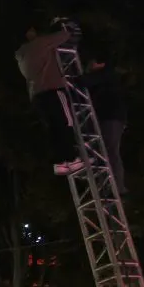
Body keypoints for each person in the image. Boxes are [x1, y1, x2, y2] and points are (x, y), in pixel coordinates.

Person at [16, 18, 83, 175]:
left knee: (53, 128)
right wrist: (67, 25)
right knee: (66, 122)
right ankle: (72, 159)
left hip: (38, 96)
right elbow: (65, 35)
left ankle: (60, 162)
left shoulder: (21, 55)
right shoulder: (40, 43)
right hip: (53, 90)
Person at [76, 57, 128, 193]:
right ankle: (105, 184)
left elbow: (83, 81)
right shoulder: (105, 77)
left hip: (111, 117)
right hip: (107, 117)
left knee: (110, 151)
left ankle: (117, 187)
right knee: (102, 151)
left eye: (92, 64)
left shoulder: (107, 74)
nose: (89, 66)